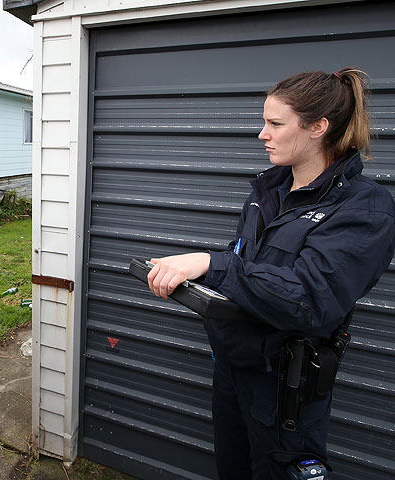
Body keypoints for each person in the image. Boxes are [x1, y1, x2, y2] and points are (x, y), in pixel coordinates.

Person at [147, 68, 395, 478]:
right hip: (233, 369)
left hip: (285, 390)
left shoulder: (363, 209)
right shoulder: (269, 192)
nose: (262, 134)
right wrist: (196, 276)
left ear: (318, 127)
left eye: (275, 124)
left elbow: (310, 299)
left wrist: (214, 263)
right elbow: (246, 264)